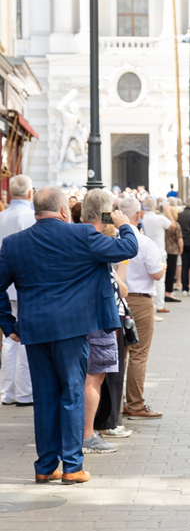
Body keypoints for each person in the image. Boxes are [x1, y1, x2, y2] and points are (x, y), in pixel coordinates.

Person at [0, 187, 137, 484]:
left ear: (36, 210)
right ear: (64, 211)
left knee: (45, 398)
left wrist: (8, 325)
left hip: (34, 330)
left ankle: (45, 466)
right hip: (72, 329)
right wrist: (125, 224)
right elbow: (127, 248)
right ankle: (72, 466)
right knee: (72, 394)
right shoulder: (82, 235)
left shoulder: (13, 244)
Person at [80, 190, 127, 454]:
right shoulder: (95, 239)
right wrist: (125, 226)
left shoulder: (72, 235)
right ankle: (87, 435)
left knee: (80, 377)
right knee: (93, 377)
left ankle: (79, 432)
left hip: (77, 318)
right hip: (97, 319)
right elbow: (129, 248)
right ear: (106, 213)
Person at [118, 197, 166, 420]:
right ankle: (135, 403)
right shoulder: (144, 242)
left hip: (115, 299)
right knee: (138, 353)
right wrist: (163, 266)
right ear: (138, 215)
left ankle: (117, 403)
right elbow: (156, 274)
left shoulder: (111, 239)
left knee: (118, 353)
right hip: (140, 299)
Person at [0, 175, 35, 407]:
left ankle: (7, 392)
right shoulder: (31, 217)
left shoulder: (2, 216)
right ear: (30, 193)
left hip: (5, 284)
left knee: (9, 339)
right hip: (25, 285)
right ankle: (23, 393)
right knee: (24, 338)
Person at [142, 196, 172, 315]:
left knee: (145, 278)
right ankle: (160, 304)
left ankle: (149, 305)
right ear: (155, 206)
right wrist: (167, 210)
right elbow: (172, 226)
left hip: (144, 251)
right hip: (159, 251)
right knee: (160, 280)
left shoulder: (142, 218)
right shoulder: (160, 218)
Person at [162, 203, 183, 303]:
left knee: (165, 272)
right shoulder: (176, 225)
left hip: (164, 249)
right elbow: (179, 239)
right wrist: (181, 248)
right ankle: (169, 292)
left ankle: (164, 291)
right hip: (173, 250)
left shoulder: (164, 223)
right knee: (171, 272)